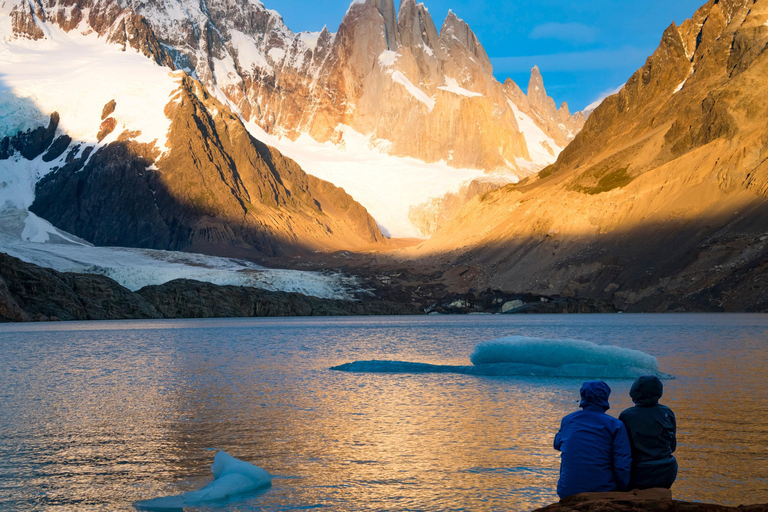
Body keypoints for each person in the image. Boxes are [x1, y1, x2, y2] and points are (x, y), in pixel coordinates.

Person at [554, 380, 632, 498]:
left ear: (583, 397)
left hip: (567, 491)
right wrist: (624, 489)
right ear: (605, 397)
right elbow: (622, 464)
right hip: (602, 491)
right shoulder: (615, 425)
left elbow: (557, 444)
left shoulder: (568, 420)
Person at [619, 375, 677, 490]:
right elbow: (673, 446)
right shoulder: (667, 412)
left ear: (634, 392)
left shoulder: (627, 415)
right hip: (666, 471)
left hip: (639, 473)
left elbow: (622, 449)